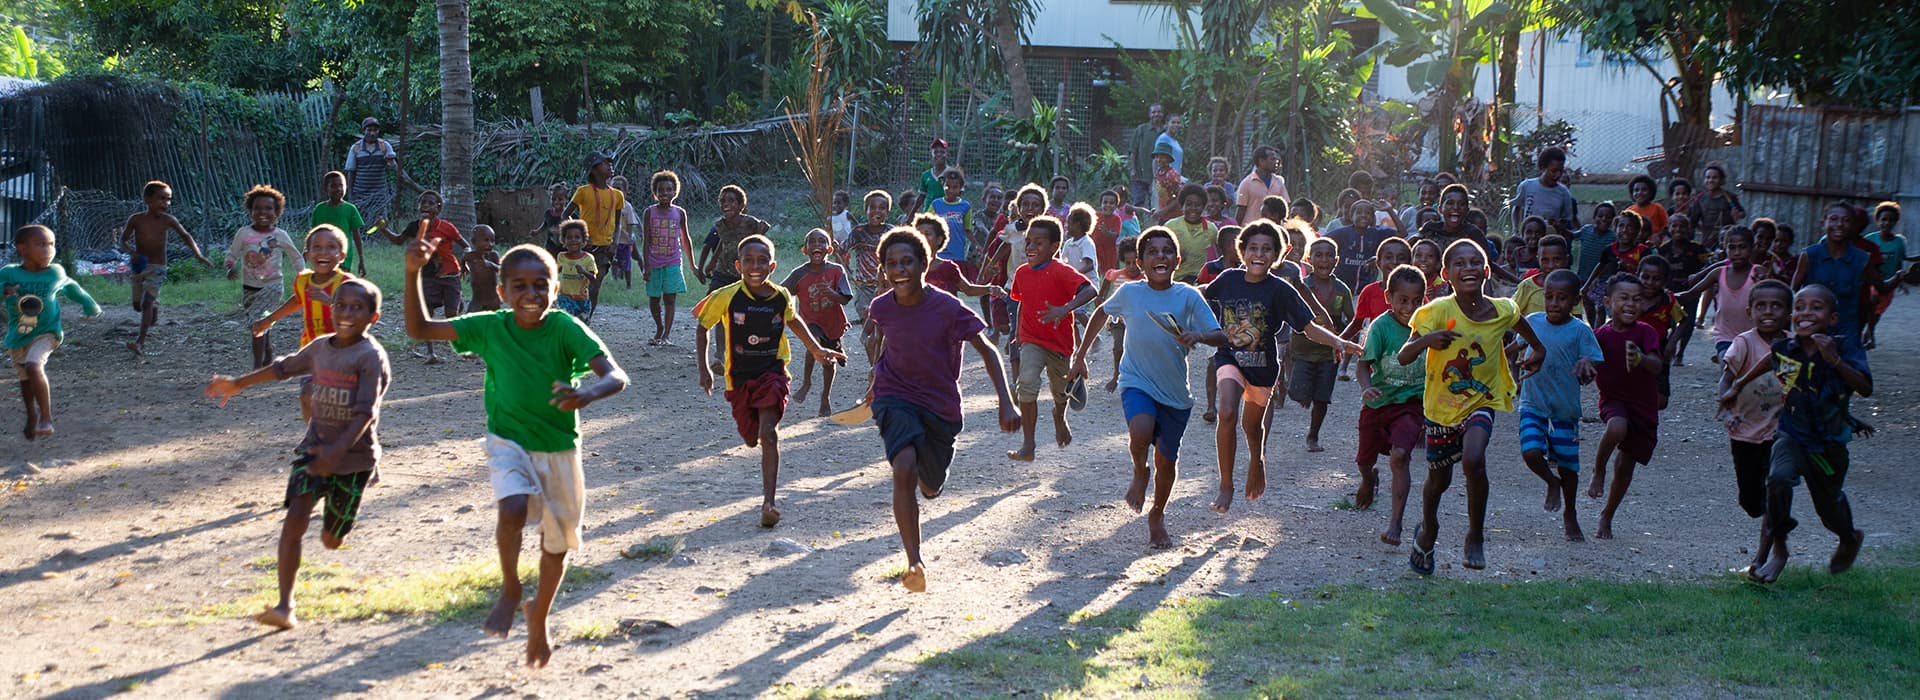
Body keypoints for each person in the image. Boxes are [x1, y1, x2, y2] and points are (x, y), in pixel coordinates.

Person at [401, 241, 628, 668]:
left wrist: (587, 394)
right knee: (512, 508)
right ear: (502, 292)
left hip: (560, 450)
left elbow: (615, 375)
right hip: (508, 441)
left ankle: (538, 615)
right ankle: (510, 588)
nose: (530, 294)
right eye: (519, 286)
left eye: (541, 285)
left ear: (555, 289)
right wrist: (413, 271)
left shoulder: (565, 328)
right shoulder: (490, 327)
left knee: (556, 547)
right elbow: (421, 329)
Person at [205, 278, 389, 632]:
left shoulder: (370, 357)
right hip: (314, 451)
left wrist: (338, 451)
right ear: (331, 309)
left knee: (331, 540)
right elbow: (283, 368)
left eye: (357, 308)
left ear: (373, 317)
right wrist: (239, 382)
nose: (347, 313)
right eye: (341, 305)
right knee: (294, 521)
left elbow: (366, 411)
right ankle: (285, 606)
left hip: (354, 460)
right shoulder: (320, 348)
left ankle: (334, 529)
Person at [865, 227, 1019, 591]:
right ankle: (914, 562)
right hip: (894, 396)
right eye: (891, 264)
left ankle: (929, 480)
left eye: (907, 262)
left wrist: (1006, 400)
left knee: (930, 486)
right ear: (884, 269)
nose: (899, 270)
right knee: (903, 466)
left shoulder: (948, 308)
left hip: (940, 406)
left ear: (925, 263)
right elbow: (885, 342)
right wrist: (874, 381)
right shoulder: (881, 307)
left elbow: (987, 350)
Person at [1069, 227, 1228, 548]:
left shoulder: (1188, 296)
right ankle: (1140, 471)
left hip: (1175, 394)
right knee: (1141, 430)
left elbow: (1220, 335)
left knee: (1167, 462)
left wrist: (1197, 335)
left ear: (1177, 260)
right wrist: (1080, 354)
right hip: (1135, 380)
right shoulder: (1130, 293)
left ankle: (1157, 514)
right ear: (1140, 263)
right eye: (1152, 252)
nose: (1160, 256)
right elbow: (1100, 313)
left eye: (1167, 251)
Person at [1398, 240, 1545, 574]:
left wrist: (1538, 349)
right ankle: (1428, 530)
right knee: (1438, 481)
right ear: (1446, 274)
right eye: (1460, 264)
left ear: (1486, 270)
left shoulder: (1502, 309)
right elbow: (1404, 355)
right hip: (1441, 409)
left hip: (1482, 400)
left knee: (1474, 459)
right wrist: (1427, 340)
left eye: (1475, 262)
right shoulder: (1436, 312)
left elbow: (1521, 324)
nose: (1468, 268)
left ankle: (1475, 534)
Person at [1205, 221, 1359, 511]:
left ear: (1277, 255)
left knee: (1252, 426)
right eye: (1253, 248)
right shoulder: (1227, 279)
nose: (1259, 254)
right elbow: (1202, 296)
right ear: (1242, 251)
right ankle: (1226, 486)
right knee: (1227, 412)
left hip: (1262, 368)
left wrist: (1338, 342)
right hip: (1230, 358)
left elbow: (1308, 327)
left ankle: (1257, 459)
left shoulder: (1281, 290)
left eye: (1266, 249)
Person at [695, 235, 846, 528]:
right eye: (749, 261)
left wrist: (816, 349)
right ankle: (756, 438)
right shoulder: (726, 296)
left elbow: (794, 320)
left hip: (772, 373)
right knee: (751, 436)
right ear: (738, 265)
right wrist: (704, 369)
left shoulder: (781, 296)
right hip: (739, 378)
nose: (755, 266)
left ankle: (769, 503)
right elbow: (703, 326)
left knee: (770, 434)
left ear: (772, 266)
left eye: (762, 261)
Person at [1727, 285, 1871, 583]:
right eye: (1800, 307)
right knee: (1777, 480)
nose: (1806, 313)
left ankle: (1848, 536)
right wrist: (1739, 383)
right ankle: (1779, 549)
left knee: (1828, 508)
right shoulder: (1786, 348)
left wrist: (1834, 360)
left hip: (1829, 444)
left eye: (1816, 308)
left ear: (1832, 318)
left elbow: (1865, 387)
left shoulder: (1844, 347)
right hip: (1792, 435)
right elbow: (1771, 360)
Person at [1512, 270, 1604, 541]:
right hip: (1533, 403)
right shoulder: (1533, 321)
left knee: (1568, 467)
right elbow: (1515, 346)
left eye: (1561, 298)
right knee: (1530, 452)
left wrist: (1587, 364)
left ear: (1575, 301)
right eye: (1549, 297)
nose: (1553, 303)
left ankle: (1570, 513)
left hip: (1565, 410)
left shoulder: (1581, 330)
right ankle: (1551, 482)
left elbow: (1593, 360)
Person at [1714, 279, 1790, 577]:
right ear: (1750, 311)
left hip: (1781, 431)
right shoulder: (1743, 343)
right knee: (1751, 502)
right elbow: (1726, 378)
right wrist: (1726, 406)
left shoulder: (1795, 345)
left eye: (1776, 306)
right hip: (1744, 430)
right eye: (1761, 306)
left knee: (1775, 490)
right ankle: (1769, 519)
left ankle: (1762, 557)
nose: (1768, 312)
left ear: (1789, 312)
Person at [1006, 216, 1098, 462]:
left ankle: (1059, 416)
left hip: (1059, 343)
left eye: (1039, 243)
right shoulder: (1022, 273)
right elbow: (1023, 303)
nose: (1030, 247)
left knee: (1061, 393)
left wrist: (1064, 309)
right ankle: (1028, 445)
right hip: (1031, 339)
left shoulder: (1061, 271)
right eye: (1028, 242)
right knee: (1026, 384)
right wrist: (1017, 335)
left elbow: (1090, 290)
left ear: (1055, 246)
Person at [2, 224, 100, 439]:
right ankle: (31, 414)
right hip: (19, 334)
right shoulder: (9, 272)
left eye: (52, 244)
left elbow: (71, 286)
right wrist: (5, 290)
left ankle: (46, 418)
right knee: (25, 378)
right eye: (41, 244)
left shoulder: (55, 272)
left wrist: (89, 305)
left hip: (48, 333)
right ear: (22, 249)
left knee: (33, 365)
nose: (49, 250)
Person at [1585, 272, 1663, 540]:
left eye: (1637, 300)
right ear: (1608, 302)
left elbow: (1657, 365)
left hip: (1643, 405)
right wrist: (1584, 367)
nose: (1631, 304)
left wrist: (1641, 358)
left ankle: (1607, 514)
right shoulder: (1599, 336)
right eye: (1624, 298)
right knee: (1617, 427)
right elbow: (1589, 363)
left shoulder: (1645, 332)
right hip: (1614, 400)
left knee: (1625, 466)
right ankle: (1598, 469)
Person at [251, 224, 359, 417]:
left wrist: (330, 302)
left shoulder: (346, 283)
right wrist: (269, 320)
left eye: (331, 247)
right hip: (311, 353)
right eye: (317, 247)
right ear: (307, 254)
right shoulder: (303, 281)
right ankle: (314, 433)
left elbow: (356, 314)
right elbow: (298, 300)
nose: (323, 252)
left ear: (342, 256)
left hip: (342, 354)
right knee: (307, 395)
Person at [1355, 264, 1427, 544]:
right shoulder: (1380, 327)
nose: (1409, 308)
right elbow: (1364, 365)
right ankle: (1368, 479)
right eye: (1403, 300)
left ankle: (1395, 524)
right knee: (1365, 460)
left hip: (1411, 404)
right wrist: (1367, 387)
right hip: (1379, 403)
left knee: (1400, 457)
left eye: (1416, 301)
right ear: (1389, 297)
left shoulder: (1427, 326)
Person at [120, 180, 213, 356]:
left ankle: (140, 342)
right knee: (137, 306)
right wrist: (132, 252)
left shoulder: (168, 220)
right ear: (147, 199)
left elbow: (185, 236)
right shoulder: (136, 219)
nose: (166, 203)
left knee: (146, 303)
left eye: (168, 199)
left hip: (158, 267)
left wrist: (199, 255)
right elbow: (123, 240)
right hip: (139, 266)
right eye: (161, 198)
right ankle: (153, 308)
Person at [379, 190, 468, 363]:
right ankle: (431, 353)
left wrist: (466, 260)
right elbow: (398, 240)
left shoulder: (446, 227)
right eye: (423, 203)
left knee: (451, 314)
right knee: (427, 313)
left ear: (438, 208)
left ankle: (462, 347)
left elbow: (465, 245)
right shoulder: (414, 227)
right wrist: (384, 230)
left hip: (450, 274)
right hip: (427, 275)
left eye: (431, 203)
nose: (426, 206)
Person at [226, 185, 304, 370]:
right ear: (250, 211)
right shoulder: (244, 233)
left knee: (256, 322)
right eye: (257, 208)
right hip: (249, 287)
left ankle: (257, 367)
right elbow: (232, 253)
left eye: (268, 208)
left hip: (273, 286)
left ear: (277, 212)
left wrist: (303, 276)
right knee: (262, 321)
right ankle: (268, 351)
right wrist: (229, 267)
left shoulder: (280, 235)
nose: (263, 212)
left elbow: (296, 257)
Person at [1290, 238, 1356, 452]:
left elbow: (1352, 320)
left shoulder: (1342, 290)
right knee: (1298, 392)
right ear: (1309, 260)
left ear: (1336, 261)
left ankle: (1313, 436)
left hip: (1329, 354)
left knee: (1322, 398)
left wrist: (1342, 341)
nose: (1324, 260)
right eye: (1318, 255)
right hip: (1302, 350)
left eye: (1329, 256)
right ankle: (1305, 393)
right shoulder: (1301, 286)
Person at [785, 229, 854, 416]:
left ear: (830, 249)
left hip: (833, 324)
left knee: (829, 361)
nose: (817, 245)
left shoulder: (836, 270)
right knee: (813, 344)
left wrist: (831, 293)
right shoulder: (798, 274)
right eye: (812, 242)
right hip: (810, 321)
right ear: (805, 250)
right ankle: (806, 382)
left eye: (822, 241)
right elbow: (782, 293)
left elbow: (845, 299)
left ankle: (825, 396)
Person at [1790, 202, 1880, 345]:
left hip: (1846, 331)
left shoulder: (1862, 259)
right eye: (1833, 219)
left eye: (1846, 220)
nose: (1839, 224)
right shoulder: (1809, 255)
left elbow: (1878, 290)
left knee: (1850, 359)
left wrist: (1900, 276)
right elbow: (1792, 292)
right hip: (1812, 329)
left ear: (1853, 226)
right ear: (1823, 223)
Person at [1677, 226, 1760, 360]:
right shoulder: (1719, 273)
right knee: (1728, 363)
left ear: (1752, 248)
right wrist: (1666, 297)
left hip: (1753, 336)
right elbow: (1691, 294)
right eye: (1732, 248)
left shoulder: (1757, 273)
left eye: (1742, 247)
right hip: (1725, 336)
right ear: (1725, 249)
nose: (1737, 252)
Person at [563, 153, 625, 312]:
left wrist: (615, 243)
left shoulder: (618, 195)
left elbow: (618, 223)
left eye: (610, 163)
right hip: (584, 248)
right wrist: (578, 236)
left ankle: (587, 318)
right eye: (604, 163)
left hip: (605, 248)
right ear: (594, 170)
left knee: (595, 286)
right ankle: (576, 314)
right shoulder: (583, 192)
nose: (610, 166)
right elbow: (565, 214)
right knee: (578, 284)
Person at [641, 170, 694, 345]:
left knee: (670, 298)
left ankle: (666, 335)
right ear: (655, 193)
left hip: (673, 262)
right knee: (654, 298)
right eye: (661, 190)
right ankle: (659, 327)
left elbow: (686, 239)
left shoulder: (680, 213)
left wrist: (693, 265)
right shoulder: (649, 212)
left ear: (675, 192)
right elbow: (646, 240)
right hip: (654, 262)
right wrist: (646, 265)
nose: (665, 193)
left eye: (669, 189)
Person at [1861, 201, 1912, 349]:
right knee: (1872, 301)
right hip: (1871, 280)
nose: (1887, 223)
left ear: (1896, 222)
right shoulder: (1870, 239)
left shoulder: (1899, 242)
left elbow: (1900, 261)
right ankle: (1869, 335)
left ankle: (1869, 332)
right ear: (1877, 220)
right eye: (1883, 219)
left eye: (1891, 220)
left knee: (1877, 312)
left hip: (1889, 282)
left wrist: (1900, 280)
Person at [343, 117, 415, 218]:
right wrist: (350, 197)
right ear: (364, 131)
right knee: (361, 222)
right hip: (360, 195)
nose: (372, 133)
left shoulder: (385, 146)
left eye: (375, 130)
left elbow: (394, 166)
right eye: (369, 130)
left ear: (378, 131)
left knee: (380, 222)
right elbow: (351, 173)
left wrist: (392, 164)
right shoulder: (356, 148)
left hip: (379, 195)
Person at [1100, 236, 1145, 392]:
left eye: (1135, 262)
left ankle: (1137, 375)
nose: (1131, 267)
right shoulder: (1118, 275)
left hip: (1138, 321)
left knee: (1136, 348)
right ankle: (1116, 374)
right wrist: (1101, 296)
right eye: (1128, 263)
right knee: (1118, 346)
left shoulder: (1145, 278)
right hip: (1118, 319)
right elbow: (1107, 277)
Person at [308, 171, 373, 277]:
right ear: (326, 189)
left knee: (341, 283)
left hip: (343, 257)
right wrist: (306, 252)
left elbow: (356, 236)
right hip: (323, 256)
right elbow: (313, 234)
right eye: (333, 186)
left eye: (341, 185)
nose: (338, 189)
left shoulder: (350, 209)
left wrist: (361, 259)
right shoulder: (319, 209)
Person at [845, 190, 892, 326]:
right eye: (872, 207)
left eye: (882, 208)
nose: (877, 211)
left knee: (885, 321)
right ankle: (869, 338)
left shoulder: (891, 232)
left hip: (886, 284)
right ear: (866, 210)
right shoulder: (858, 232)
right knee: (867, 318)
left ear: (888, 212)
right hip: (864, 286)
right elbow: (842, 249)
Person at [1326, 199, 1395, 290]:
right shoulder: (1342, 233)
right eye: (1359, 212)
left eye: (1368, 213)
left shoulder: (1377, 233)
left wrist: (1390, 210)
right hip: (1342, 288)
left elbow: (1403, 233)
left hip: (1366, 289)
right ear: (1351, 216)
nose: (1363, 215)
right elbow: (1322, 241)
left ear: (1372, 217)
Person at [1509, 146, 1577, 236]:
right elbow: (1516, 208)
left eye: (1560, 171)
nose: (1558, 175)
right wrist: (1515, 231)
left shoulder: (1564, 193)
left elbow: (1566, 219)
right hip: (1529, 238)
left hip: (1549, 238)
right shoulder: (1527, 186)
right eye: (1554, 171)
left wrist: (1557, 225)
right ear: (1543, 167)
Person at [1165, 184, 1218, 282]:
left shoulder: (1210, 228)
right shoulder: (1171, 226)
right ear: (1182, 205)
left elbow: (1220, 254)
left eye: (1198, 205)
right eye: (1189, 204)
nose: (1193, 208)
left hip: (1199, 280)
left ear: (1203, 207)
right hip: (1175, 279)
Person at [1514, 234, 1573, 319]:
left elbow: (1577, 320)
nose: (1551, 266)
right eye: (1545, 260)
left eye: (1557, 259)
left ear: (1566, 260)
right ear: (1538, 260)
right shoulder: (1527, 286)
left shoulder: (1571, 287)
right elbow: (1512, 313)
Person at [1686, 164, 1746, 247]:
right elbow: (1693, 222)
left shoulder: (1729, 197)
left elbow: (1742, 213)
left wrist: (1738, 215)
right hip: (1707, 242)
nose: (1710, 180)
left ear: (1721, 180)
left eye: (1715, 177)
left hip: (1727, 241)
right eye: (1708, 177)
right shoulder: (1700, 199)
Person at [554, 220, 599, 322]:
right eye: (569, 237)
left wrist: (583, 271)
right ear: (563, 240)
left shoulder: (588, 259)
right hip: (564, 297)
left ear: (583, 240)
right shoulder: (561, 256)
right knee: (567, 321)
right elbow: (556, 272)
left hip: (582, 299)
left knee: (581, 323)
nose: (573, 240)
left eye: (577, 237)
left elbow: (593, 278)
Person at [1127, 103, 1167, 207]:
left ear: (1162, 114)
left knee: (1155, 204)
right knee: (1138, 203)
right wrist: (1133, 169)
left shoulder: (1166, 132)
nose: (1156, 114)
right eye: (1154, 112)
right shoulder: (1141, 129)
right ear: (1149, 114)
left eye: (1159, 112)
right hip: (1140, 174)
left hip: (1158, 175)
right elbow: (1133, 151)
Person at [929, 168, 973, 262]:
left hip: (957, 254)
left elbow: (967, 230)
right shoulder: (935, 205)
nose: (951, 190)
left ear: (961, 187)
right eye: (947, 186)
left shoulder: (966, 206)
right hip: (939, 254)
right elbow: (927, 226)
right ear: (943, 185)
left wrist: (978, 245)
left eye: (955, 187)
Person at [464, 225, 502, 312]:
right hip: (477, 299)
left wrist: (491, 265)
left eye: (492, 241)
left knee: (494, 318)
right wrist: (464, 267)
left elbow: (501, 269)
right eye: (486, 240)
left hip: (492, 299)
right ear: (474, 242)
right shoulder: (471, 256)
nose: (490, 244)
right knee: (471, 317)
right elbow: (464, 259)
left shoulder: (493, 255)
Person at [1061, 204, 1103, 282]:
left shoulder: (1086, 242)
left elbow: (1090, 265)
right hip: (1075, 282)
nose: (1066, 226)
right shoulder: (1068, 243)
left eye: (1068, 223)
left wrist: (1075, 275)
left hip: (1088, 283)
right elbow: (1063, 263)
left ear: (1077, 225)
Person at [610, 175, 639, 289]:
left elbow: (631, 222)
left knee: (626, 263)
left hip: (624, 241)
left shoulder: (627, 207)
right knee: (613, 261)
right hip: (612, 240)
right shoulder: (608, 205)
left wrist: (630, 236)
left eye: (619, 189)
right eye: (613, 188)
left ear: (625, 192)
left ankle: (628, 284)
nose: (615, 191)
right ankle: (616, 281)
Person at [1625, 175, 1669, 243]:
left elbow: (1666, 226)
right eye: (1636, 190)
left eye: (1644, 190)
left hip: (1653, 243)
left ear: (1651, 193)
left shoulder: (1658, 208)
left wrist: (1658, 235)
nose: (1640, 193)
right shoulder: (1629, 211)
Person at [1151, 143, 1183, 221]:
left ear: (1168, 159)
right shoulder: (1158, 173)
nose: (1159, 160)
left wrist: (1164, 211)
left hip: (1174, 216)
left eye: (1162, 157)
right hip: (1163, 215)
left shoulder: (1171, 175)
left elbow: (1179, 196)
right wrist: (1158, 210)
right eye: (1157, 157)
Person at [920, 138, 951, 207]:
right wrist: (912, 212)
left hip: (946, 211)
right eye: (935, 152)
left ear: (947, 154)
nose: (939, 154)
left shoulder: (953, 174)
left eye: (942, 152)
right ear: (931, 154)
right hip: (929, 212)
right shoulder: (925, 175)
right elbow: (921, 196)